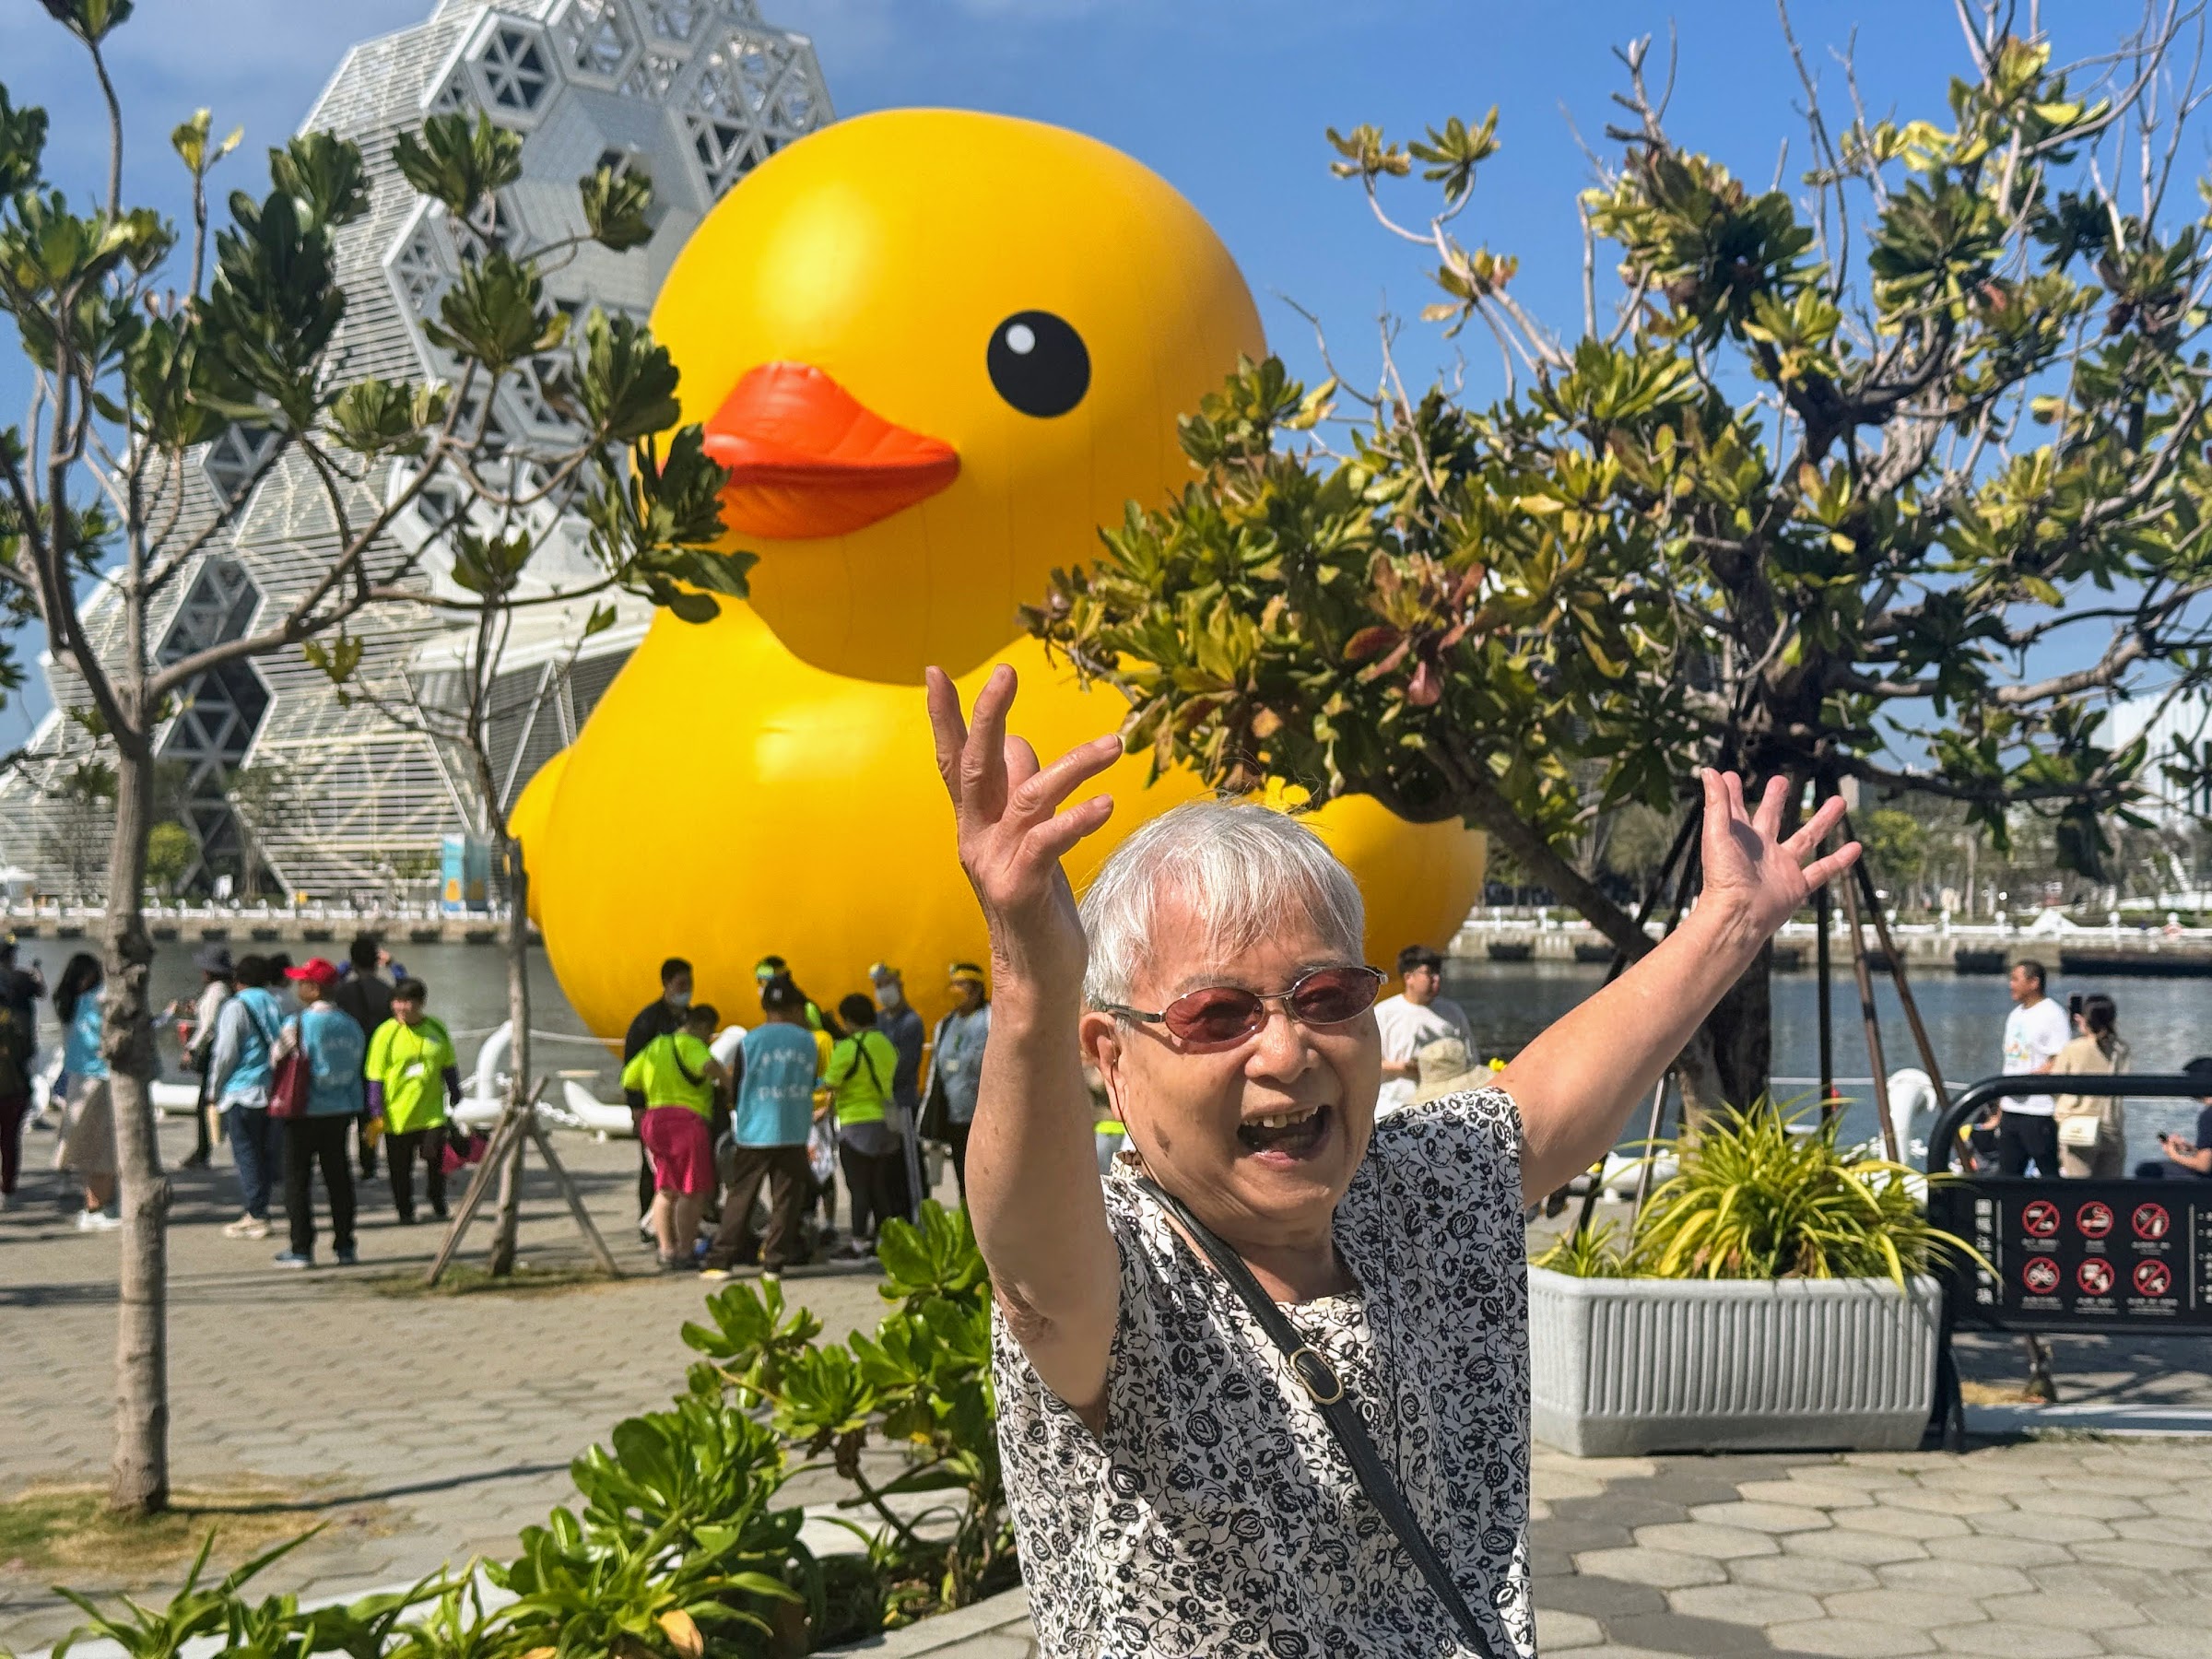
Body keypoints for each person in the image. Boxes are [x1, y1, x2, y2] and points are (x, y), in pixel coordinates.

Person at [924, 665, 1853, 1656]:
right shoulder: (1130, 1274)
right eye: (1217, 1015)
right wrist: (1029, 964)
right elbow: (1030, 1264)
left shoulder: (1406, 1196)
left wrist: (1728, 924)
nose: (1285, 1051)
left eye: (1326, 997)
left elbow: (1547, 1106)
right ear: (1110, 1055)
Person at [700, 978, 818, 1280]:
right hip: (793, 1129)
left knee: (741, 1195)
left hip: (755, 1129)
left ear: (765, 1008)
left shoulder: (750, 1041)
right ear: (795, 1008)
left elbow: (737, 1083)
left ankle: (721, 1260)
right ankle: (774, 1262)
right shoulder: (808, 1041)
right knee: (786, 1199)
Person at [621, 1000, 729, 1270]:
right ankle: (685, 1250)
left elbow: (628, 1079)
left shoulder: (656, 1046)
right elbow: (708, 1067)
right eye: (710, 1033)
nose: (709, 1039)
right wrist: (728, 1085)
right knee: (692, 1191)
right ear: (702, 1026)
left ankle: (666, 1250)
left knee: (666, 1188)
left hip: (654, 1121)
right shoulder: (692, 1045)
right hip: (687, 1122)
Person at [276, 959, 368, 1268]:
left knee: (297, 1180)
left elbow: (276, 1056)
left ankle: (301, 1247)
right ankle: (345, 1245)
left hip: (304, 1110)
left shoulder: (298, 1024)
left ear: (314, 988)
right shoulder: (351, 1024)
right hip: (341, 1108)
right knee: (339, 1178)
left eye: (302, 982)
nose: (297, 987)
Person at [365, 978, 463, 1224]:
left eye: (407, 1002)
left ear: (421, 1003)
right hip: (397, 1114)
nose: (401, 1007)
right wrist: (376, 1111)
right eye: (397, 1001)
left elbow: (449, 1066)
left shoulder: (437, 1028)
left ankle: (438, 1200)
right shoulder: (385, 1033)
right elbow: (375, 1076)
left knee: (435, 1160)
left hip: (431, 1112)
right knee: (400, 1169)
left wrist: (457, 1097)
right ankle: (405, 1210)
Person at [208, 955, 286, 1239]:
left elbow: (226, 1053)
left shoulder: (235, 1006)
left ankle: (256, 1213)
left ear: (237, 980)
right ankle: (258, 1207)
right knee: (265, 1154)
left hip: (242, 1090)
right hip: (272, 1090)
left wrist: (213, 1090)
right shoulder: (277, 1003)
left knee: (246, 1154)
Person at [826, 993, 906, 1256]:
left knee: (858, 1187)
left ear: (848, 1020)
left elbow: (831, 1082)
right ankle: (885, 1238)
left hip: (856, 1123)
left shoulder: (848, 1048)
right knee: (878, 1184)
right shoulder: (886, 1043)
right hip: (886, 1122)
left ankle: (858, 1241)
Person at [623, 958, 693, 1235]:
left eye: (690, 984)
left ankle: (681, 1223)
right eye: (681, 984)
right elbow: (631, 1068)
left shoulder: (689, 1018)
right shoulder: (647, 1021)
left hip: (685, 1106)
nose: (687, 989)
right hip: (654, 1107)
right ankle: (648, 1222)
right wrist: (637, 1106)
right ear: (666, 984)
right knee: (652, 1168)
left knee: (683, 1168)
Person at [53, 953, 121, 1230]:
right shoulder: (99, 999)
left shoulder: (69, 1002)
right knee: (104, 1147)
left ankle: (95, 1203)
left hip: (76, 1077)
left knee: (86, 1143)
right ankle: (97, 1209)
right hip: (99, 1077)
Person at [1373, 945, 1477, 1115]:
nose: (1436, 979)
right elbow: (1369, 1064)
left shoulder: (1452, 1012)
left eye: (1438, 973)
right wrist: (1405, 1067)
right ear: (1409, 977)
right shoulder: (1384, 1013)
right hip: (1394, 1107)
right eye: (1429, 973)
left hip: (1444, 1108)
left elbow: (1470, 1058)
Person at [331, 935, 397, 1182]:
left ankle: (338, 1163)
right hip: (378, 1059)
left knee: (343, 1116)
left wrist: (344, 967)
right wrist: (392, 965)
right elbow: (408, 988)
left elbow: (329, 987)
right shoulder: (387, 991)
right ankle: (368, 1165)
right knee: (370, 1116)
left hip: (347, 1059)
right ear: (377, 961)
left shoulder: (342, 991)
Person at [924, 962, 991, 1201]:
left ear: (976, 989)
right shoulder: (946, 1024)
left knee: (989, 1180)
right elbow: (936, 1072)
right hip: (955, 1117)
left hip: (985, 1116)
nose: (956, 991)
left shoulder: (989, 1019)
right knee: (964, 1178)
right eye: (953, 985)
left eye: (961, 985)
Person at [1997, 959, 2071, 1177]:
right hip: (2011, 1108)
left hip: (2038, 1110)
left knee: (2048, 1172)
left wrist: (2029, 1080)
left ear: (2033, 983)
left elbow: (2060, 1059)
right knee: (2008, 1175)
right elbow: (2010, 1061)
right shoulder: (2015, 1015)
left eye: (2016, 979)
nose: (2011, 985)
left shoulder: (2052, 1014)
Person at [167, 944, 234, 1170]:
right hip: (216, 1047)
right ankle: (202, 1149)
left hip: (211, 1049)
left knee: (204, 1101)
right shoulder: (222, 990)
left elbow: (207, 1026)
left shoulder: (216, 991)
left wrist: (191, 1049)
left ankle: (202, 1151)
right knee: (205, 1100)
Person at [869, 962, 927, 1215]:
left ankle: (919, 1218)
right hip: (880, 1105)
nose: (882, 992)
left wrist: (877, 1081)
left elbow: (905, 1066)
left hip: (902, 1103)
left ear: (899, 985)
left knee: (909, 1164)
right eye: (878, 986)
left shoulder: (911, 1022)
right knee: (886, 1168)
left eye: (886, 985)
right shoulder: (878, 1021)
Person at [2052, 993, 2127, 1179]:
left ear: (2084, 1019)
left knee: (2079, 1194)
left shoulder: (2073, 1048)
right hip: (2112, 1126)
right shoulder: (2121, 1049)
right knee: (2109, 1195)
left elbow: (2054, 1084)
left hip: (2078, 1128)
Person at [2139, 1054, 2212, 1178]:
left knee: (2148, 1170)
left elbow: (2204, 1166)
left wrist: (2173, 1155)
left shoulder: (2208, 1116)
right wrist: (2192, 1151)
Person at [0, 974, 34, 1210]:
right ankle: (7, 1189)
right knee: (10, 1141)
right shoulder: (18, 1018)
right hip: (15, 1088)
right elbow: (28, 1051)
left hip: (12, 1087)